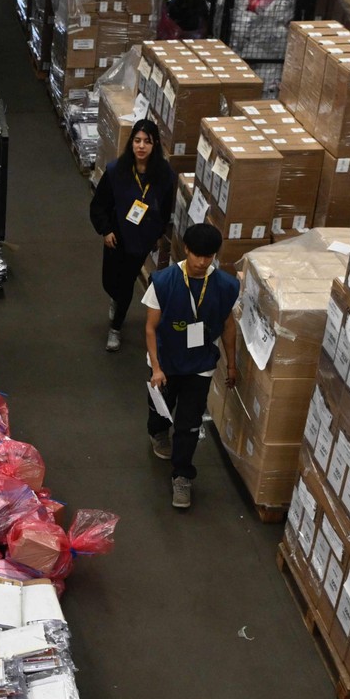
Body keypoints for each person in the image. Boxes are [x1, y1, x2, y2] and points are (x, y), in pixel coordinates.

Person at [144, 223, 240, 510]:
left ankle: (182, 475)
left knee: (189, 423)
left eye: (208, 256)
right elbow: (151, 328)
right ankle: (158, 431)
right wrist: (157, 368)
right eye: (197, 255)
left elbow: (228, 326)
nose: (201, 262)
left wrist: (232, 365)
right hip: (166, 360)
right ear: (185, 249)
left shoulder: (226, 285)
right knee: (160, 407)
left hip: (200, 363)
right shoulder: (163, 282)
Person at [89, 118, 176, 351]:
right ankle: (115, 297)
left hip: (141, 238)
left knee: (127, 283)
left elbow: (167, 207)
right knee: (110, 281)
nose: (141, 146)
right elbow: (99, 204)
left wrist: (158, 233)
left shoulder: (164, 174)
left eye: (147, 142)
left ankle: (115, 328)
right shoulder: (117, 170)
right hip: (116, 235)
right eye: (137, 141)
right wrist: (105, 230)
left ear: (155, 144)